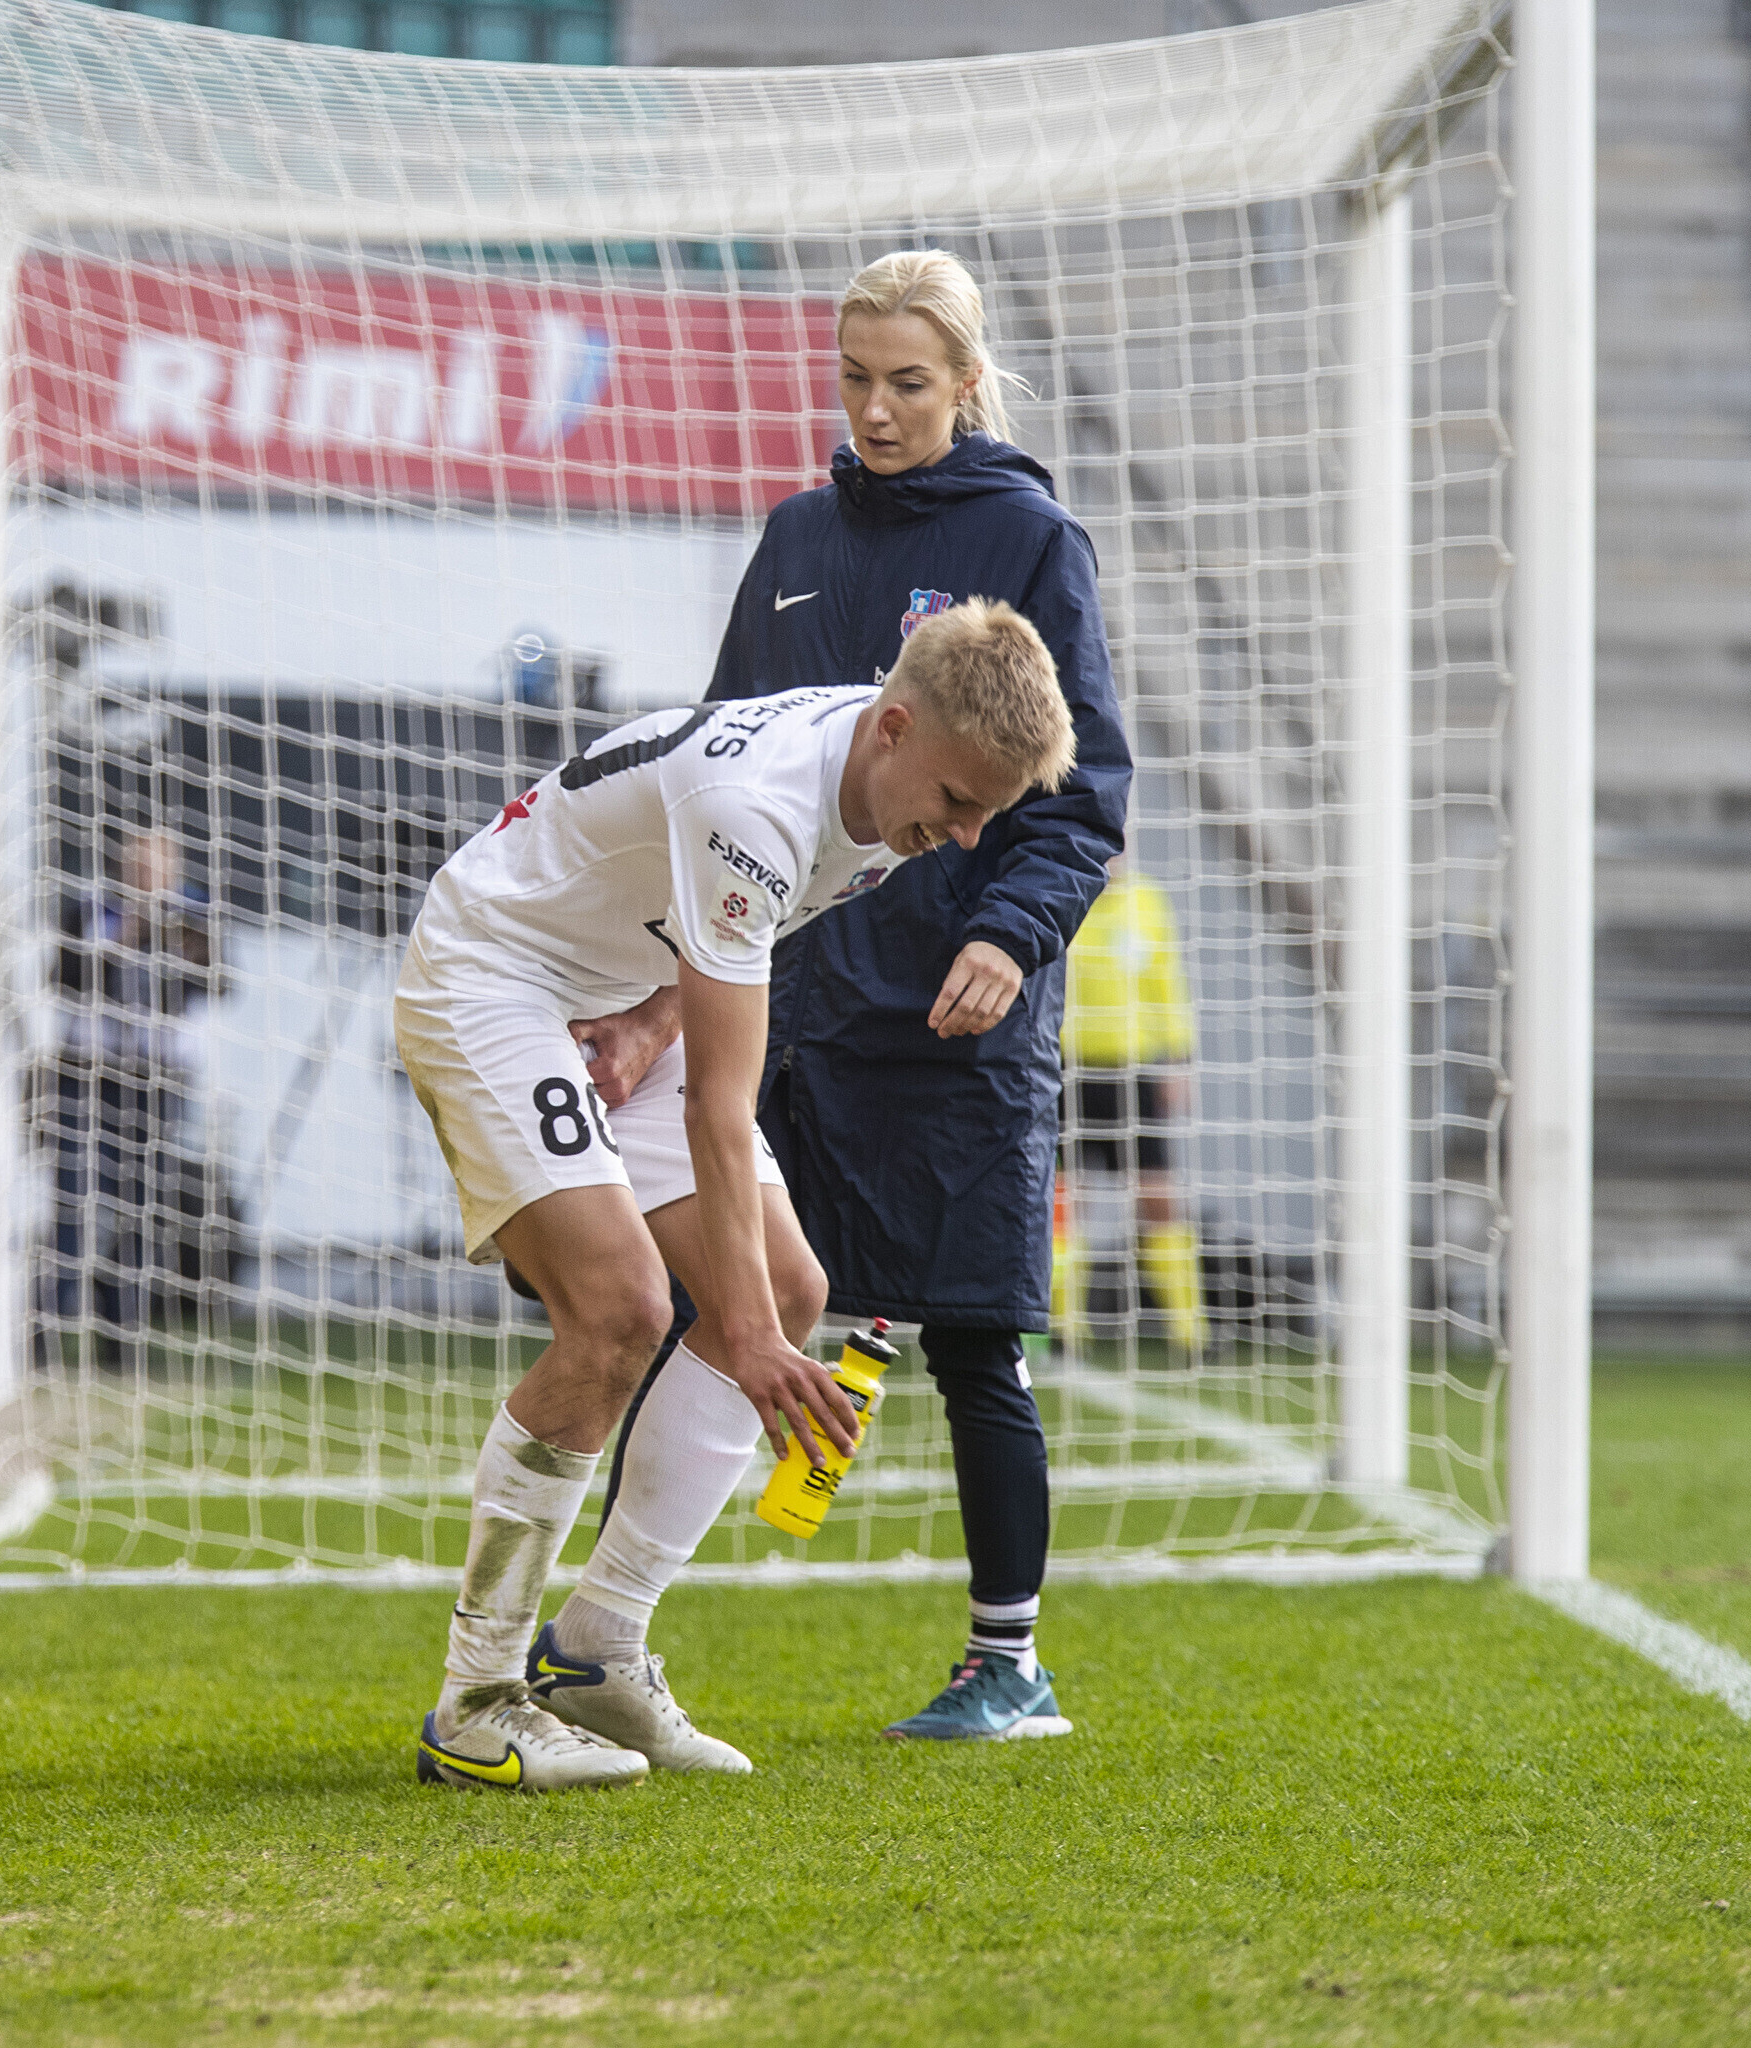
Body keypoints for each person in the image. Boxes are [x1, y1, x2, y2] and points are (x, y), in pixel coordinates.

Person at [572, 250, 1132, 1743]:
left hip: (956, 1014)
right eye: (854, 380)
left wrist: (1008, 933)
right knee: (706, 1303)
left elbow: (1081, 793)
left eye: (907, 383)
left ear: (965, 385)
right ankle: (606, 1640)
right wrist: (655, 996)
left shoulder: (1030, 539)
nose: (875, 411)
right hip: (790, 1001)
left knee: (972, 1342)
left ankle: (1006, 1663)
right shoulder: (796, 537)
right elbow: (712, 760)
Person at [399, 599, 1077, 1793]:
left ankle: (598, 1646)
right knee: (619, 1310)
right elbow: (721, 1106)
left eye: (989, 812)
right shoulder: (756, 802)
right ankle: (476, 1701)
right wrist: (749, 1339)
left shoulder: (886, 787)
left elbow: (724, 943)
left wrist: (650, 1018)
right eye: (959, 800)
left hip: (617, 994)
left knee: (792, 1287)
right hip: (493, 975)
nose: (966, 835)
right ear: (893, 726)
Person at [39, 825, 216, 1360]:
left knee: (140, 1208)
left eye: (157, 867)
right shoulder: (90, 909)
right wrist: (124, 938)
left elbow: (217, 985)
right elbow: (62, 978)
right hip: (88, 1073)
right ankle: (44, 1336)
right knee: (73, 1200)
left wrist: (181, 947)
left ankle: (123, 1340)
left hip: (155, 1079)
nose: (147, 875)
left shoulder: (191, 915)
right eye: (138, 864)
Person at [1057, 857, 1204, 1354]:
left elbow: (1167, 982)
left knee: (1158, 1196)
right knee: (1066, 1199)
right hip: (1069, 1069)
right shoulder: (1064, 891)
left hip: (1135, 1070)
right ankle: (1063, 1327)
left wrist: (1178, 1058)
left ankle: (1189, 1331)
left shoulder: (1147, 899)